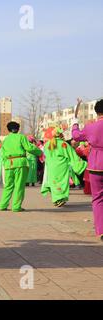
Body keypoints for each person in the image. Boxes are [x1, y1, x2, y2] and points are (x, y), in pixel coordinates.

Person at [72, 98, 103, 239]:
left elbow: (75, 136)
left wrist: (74, 122)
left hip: (96, 165)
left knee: (97, 198)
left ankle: (101, 230)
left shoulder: (91, 127)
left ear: (97, 112)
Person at [0, 122, 42, 212]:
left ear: (8, 129)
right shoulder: (21, 137)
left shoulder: (6, 139)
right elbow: (29, 148)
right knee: (19, 185)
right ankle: (16, 206)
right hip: (20, 163)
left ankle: (3, 205)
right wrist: (40, 152)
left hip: (8, 164)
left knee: (8, 186)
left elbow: (2, 153)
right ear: (18, 129)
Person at [41, 127, 87, 207]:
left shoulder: (47, 144)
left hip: (51, 167)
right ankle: (60, 199)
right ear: (60, 135)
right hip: (61, 167)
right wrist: (82, 163)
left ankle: (56, 199)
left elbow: (45, 156)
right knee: (62, 182)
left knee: (54, 182)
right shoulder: (63, 144)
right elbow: (72, 155)